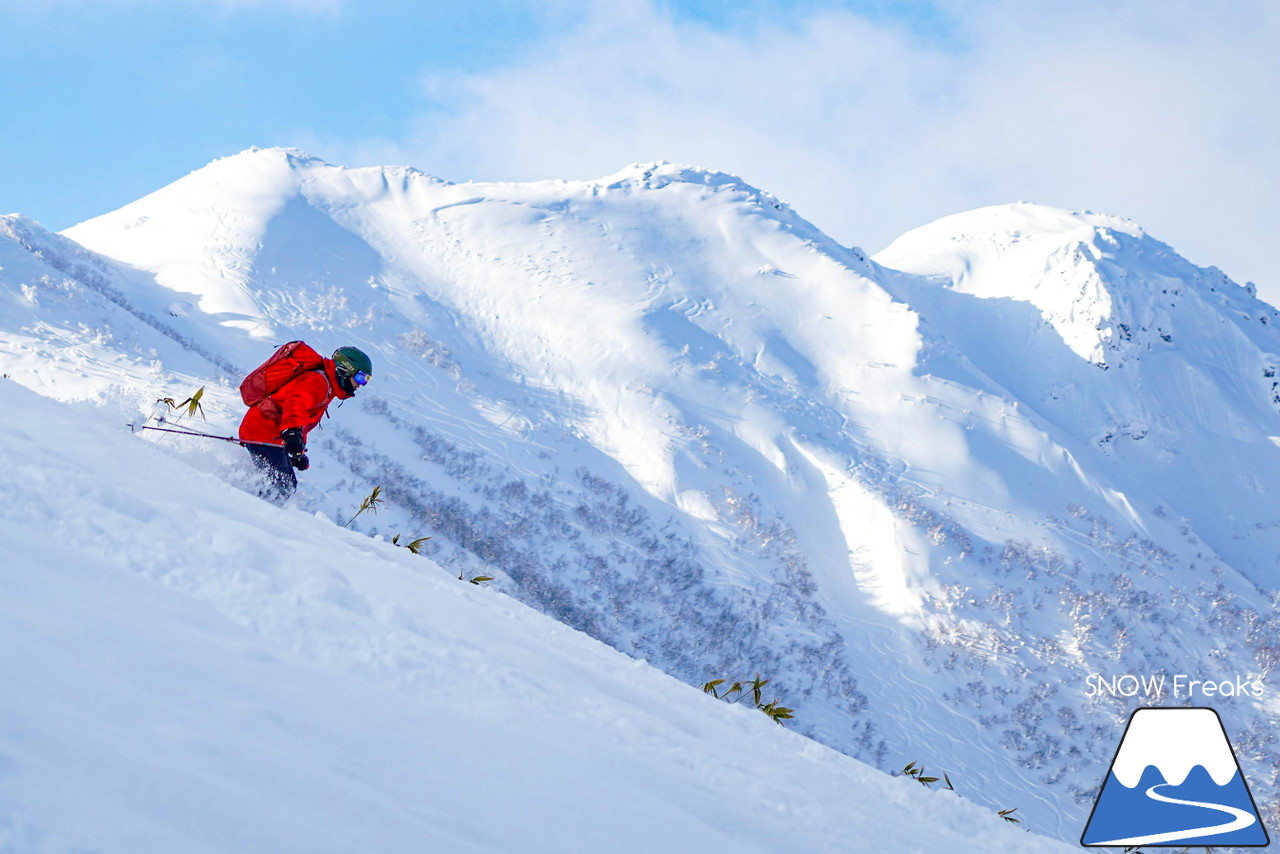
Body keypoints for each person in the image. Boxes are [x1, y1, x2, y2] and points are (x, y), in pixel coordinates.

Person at [238, 345, 373, 501]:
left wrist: (298, 451)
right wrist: (291, 433)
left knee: (285, 485)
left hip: (268, 433)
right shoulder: (318, 381)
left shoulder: (327, 385)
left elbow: (303, 419)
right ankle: (246, 511)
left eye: (366, 380)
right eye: (361, 377)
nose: (361, 384)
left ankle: (243, 497)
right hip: (262, 430)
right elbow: (294, 405)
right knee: (281, 487)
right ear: (345, 369)